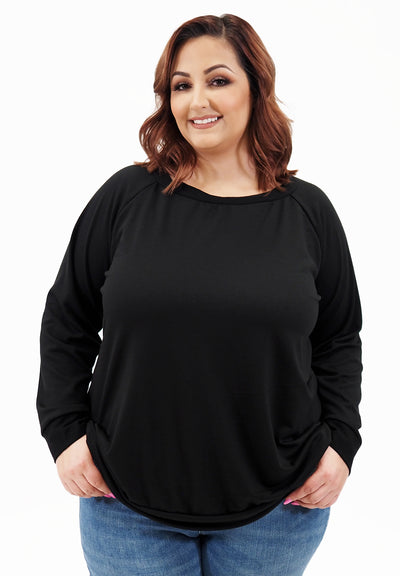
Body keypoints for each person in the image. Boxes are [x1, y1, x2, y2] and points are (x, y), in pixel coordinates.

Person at [37, 13, 362, 576]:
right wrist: (64, 433)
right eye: (181, 85)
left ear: (256, 87)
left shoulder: (308, 211)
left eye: (218, 80)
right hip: (125, 501)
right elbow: (68, 318)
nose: (196, 100)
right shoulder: (126, 196)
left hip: (279, 506)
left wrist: (341, 446)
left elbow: (337, 338)